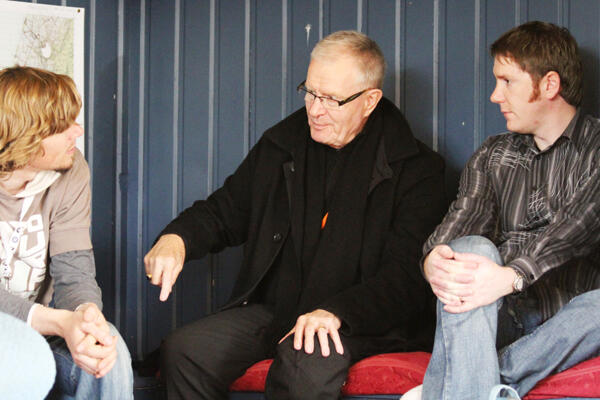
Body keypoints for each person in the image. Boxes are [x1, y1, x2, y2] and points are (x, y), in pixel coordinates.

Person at [145, 30, 447, 399]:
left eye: (332, 99)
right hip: (280, 310)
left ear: (369, 101)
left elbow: (406, 278)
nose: (315, 109)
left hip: (359, 321)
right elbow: (225, 210)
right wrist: (177, 239)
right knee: (185, 350)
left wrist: (335, 312)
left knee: (305, 359)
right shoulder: (282, 145)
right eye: (310, 92)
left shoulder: (418, 171)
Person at [407, 21, 600, 400]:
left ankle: (456, 385)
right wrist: (434, 260)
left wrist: (512, 276)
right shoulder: (495, 153)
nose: (495, 96)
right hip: (491, 316)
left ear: (549, 85)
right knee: (471, 248)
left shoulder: (596, 149)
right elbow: (459, 224)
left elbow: (575, 229)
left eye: (506, 82)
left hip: (566, 322)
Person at [0, 66, 133, 399]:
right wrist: (58, 322)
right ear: (25, 135)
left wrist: (86, 316)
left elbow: (74, 271)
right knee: (18, 362)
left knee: (110, 356)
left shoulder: (71, 169)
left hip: (44, 324)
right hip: (28, 327)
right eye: (63, 126)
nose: (78, 131)